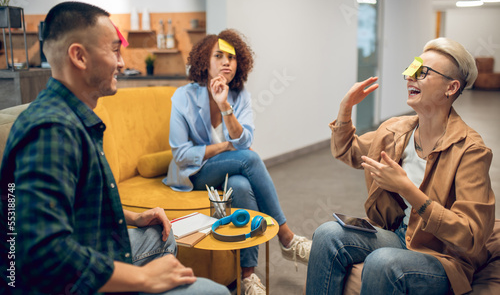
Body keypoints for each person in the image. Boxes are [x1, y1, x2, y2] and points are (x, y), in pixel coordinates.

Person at [0, 1, 229, 295]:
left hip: (88, 245)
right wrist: (145, 279)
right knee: (216, 293)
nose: (122, 63)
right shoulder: (53, 130)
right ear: (79, 56)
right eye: (114, 50)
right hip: (61, 284)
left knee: (161, 235)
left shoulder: (73, 117)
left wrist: (134, 217)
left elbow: (75, 204)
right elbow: (42, 253)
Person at [306, 38, 495, 295]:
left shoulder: (471, 150)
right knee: (328, 234)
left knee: (382, 262)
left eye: (422, 73)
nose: (410, 77)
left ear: (451, 88)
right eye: (411, 69)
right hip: (401, 235)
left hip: (443, 256)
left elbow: (471, 237)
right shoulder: (396, 130)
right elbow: (348, 151)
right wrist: (345, 109)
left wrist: (408, 190)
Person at [163, 29, 311, 294]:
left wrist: (224, 107)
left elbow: (244, 140)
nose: (226, 62)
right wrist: (226, 146)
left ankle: (247, 275)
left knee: (242, 186)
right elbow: (181, 155)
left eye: (231, 57)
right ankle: (287, 237)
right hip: (193, 174)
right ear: (204, 62)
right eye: (218, 55)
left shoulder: (239, 96)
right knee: (249, 159)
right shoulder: (182, 97)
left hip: (230, 170)